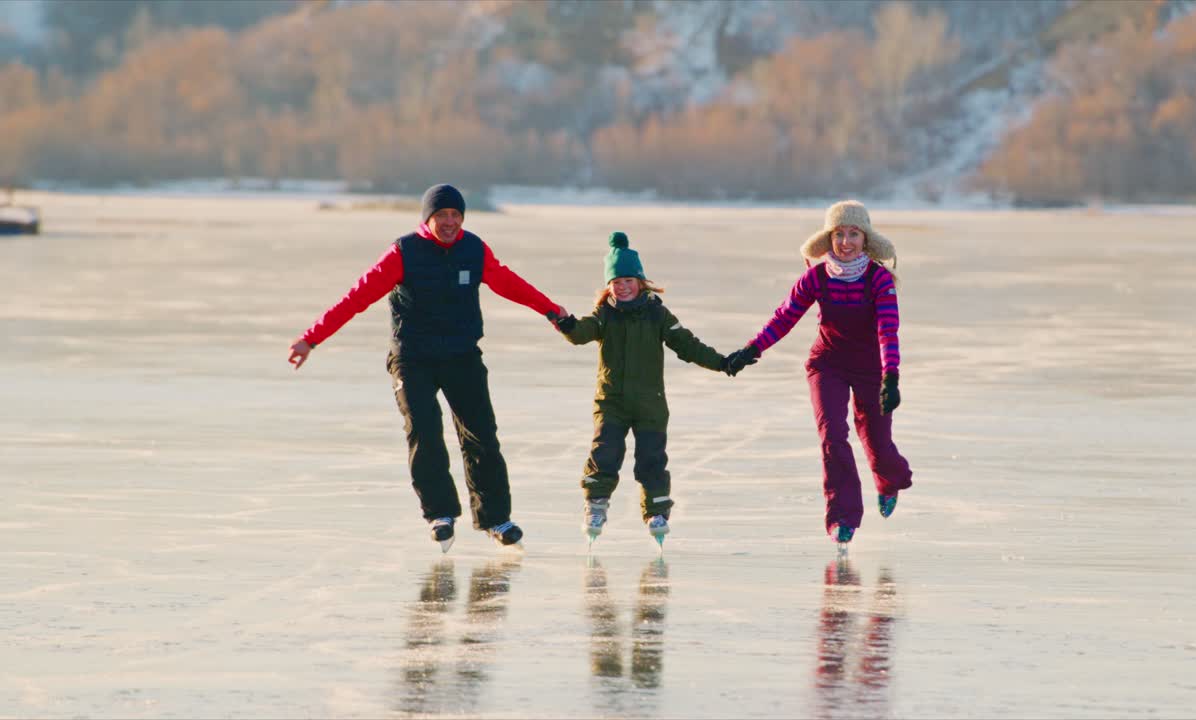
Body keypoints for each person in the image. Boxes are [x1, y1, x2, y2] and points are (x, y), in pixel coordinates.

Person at [287, 183, 566, 551]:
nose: (449, 222)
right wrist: (312, 338)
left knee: (481, 434)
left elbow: (509, 283)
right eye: (441, 216)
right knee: (425, 431)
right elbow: (357, 296)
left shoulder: (473, 249)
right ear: (427, 219)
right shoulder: (404, 252)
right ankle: (440, 514)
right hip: (413, 358)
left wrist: (550, 310)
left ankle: (496, 518)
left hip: (461, 355)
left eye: (455, 215)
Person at [724, 200, 912, 545]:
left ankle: (890, 480)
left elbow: (888, 330)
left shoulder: (879, 280)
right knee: (832, 435)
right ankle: (842, 517)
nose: (846, 241)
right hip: (828, 364)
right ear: (829, 239)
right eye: (839, 234)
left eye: (853, 234)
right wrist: (752, 349)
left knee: (879, 445)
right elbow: (785, 316)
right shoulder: (816, 277)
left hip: (872, 368)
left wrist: (891, 377)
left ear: (865, 239)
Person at [555, 232, 751, 544]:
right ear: (609, 286)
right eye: (616, 281)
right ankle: (596, 504)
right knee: (605, 451)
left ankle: (656, 512)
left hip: (650, 404)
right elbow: (581, 333)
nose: (623, 286)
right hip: (612, 402)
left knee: (651, 459)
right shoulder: (604, 315)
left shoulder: (658, 314)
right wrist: (566, 323)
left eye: (629, 280)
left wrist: (723, 363)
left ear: (641, 281)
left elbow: (688, 345)